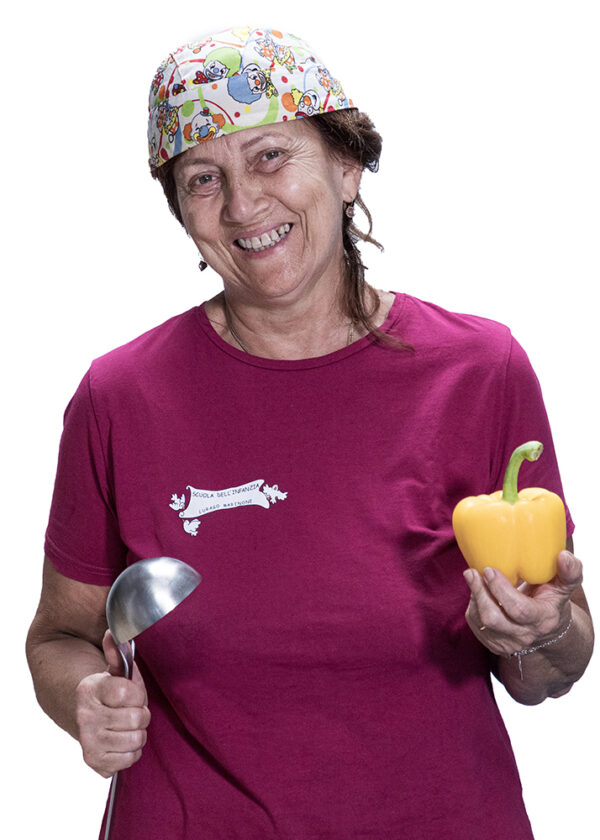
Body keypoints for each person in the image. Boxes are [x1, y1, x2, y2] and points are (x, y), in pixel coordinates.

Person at [26, 25, 594, 840]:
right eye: (203, 178)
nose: (243, 204)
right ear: (182, 212)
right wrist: (84, 698)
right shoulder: (120, 396)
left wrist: (541, 637)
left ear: (346, 163)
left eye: (269, 156)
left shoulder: (480, 370)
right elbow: (61, 635)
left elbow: (549, 671)